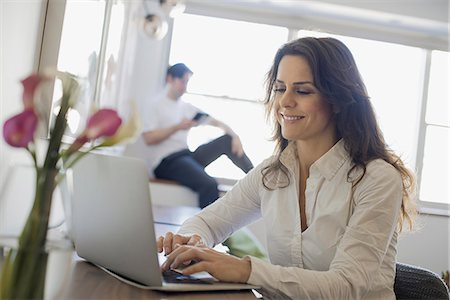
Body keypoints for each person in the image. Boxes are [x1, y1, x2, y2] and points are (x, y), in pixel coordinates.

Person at [157, 37, 416, 299]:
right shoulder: (271, 173)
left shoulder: (377, 179)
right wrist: (191, 241)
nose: (284, 102)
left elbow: (346, 287)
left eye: (302, 91)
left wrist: (245, 270)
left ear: (337, 100)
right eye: (280, 88)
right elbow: (205, 222)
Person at [142, 63, 253, 208]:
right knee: (209, 184)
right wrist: (177, 127)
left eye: (187, 82)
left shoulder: (186, 108)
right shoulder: (155, 105)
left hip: (187, 156)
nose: (185, 87)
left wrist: (235, 135)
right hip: (166, 162)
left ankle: (259, 180)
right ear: (170, 79)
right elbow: (149, 139)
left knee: (227, 140)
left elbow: (216, 122)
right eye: (183, 81)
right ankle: (207, 229)